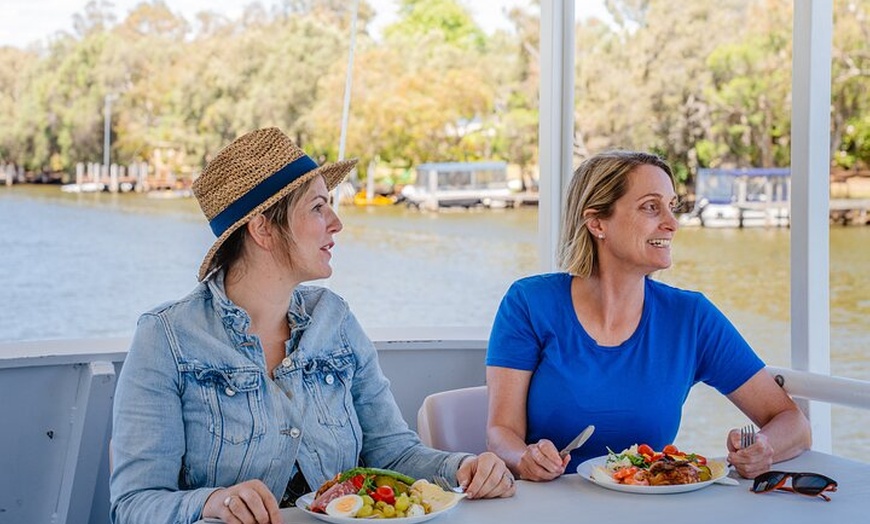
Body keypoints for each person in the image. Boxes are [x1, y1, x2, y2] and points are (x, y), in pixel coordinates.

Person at [110, 127, 516, 524]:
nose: (336, 222)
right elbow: (134, 505)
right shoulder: (166, 339)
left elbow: (393, 454)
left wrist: (463, 467)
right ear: (263, 229)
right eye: (318, 207)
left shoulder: (335, 319)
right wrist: (213, 503)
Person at [485, 150, 811, 482]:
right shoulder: (528, 303)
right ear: (597, 222)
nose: (672, 223)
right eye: (651, 207)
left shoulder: (691, 318)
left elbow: (792, 422)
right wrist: (523, 457)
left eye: (672, 206)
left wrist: (762, 447)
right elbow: (501, 431)